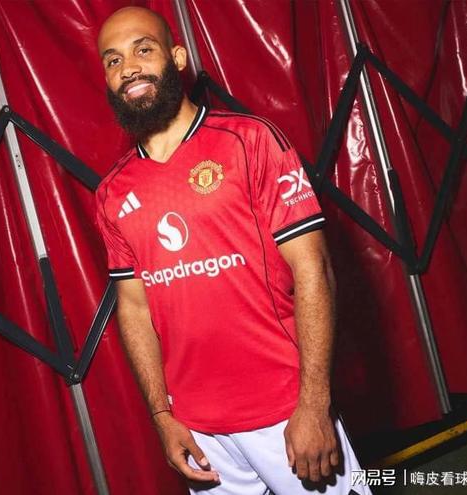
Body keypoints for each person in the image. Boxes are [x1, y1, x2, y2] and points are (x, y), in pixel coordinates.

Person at [94, 6, 371, 495]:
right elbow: (134, 308)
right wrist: (162, 415)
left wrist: (314, 404)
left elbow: (314, 269)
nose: (129, 68)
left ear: (177, 58)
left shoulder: (250, 140)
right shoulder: (112, 192)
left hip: (284, 411)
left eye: (143, 50)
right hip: (198, 430)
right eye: (113, 60)